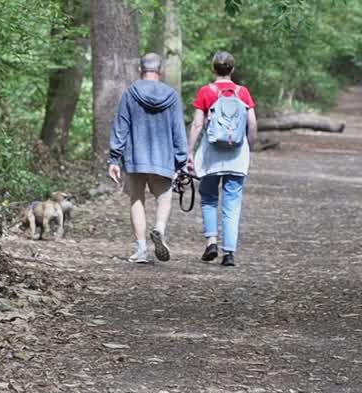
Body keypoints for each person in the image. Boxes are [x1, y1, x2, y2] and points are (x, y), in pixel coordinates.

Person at [107, 53, 188, 264]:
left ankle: (141, 249)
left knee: (136, 199)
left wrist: (114, 159)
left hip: (135, 157)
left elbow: (120, 127)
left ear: (140, 70)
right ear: (160, 71)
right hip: (164, 157)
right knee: (164, 198)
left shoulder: (130, 94)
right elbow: (178, 130)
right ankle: (159, 228)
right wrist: (181, 160)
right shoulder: (172, 96)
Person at [187, 51, 258, 267]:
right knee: (232, 203)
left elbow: (198, 124)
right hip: (237, 156)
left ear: (213, 69)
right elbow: (252, 124)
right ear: (232, 70)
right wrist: (250, 149)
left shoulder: (206, 92)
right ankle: (229, 253)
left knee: (208, 197)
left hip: (211, 156)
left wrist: (189, 152)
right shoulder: (242, 92)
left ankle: (211, 241)